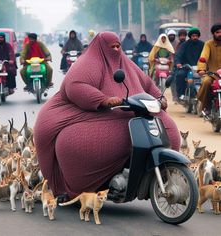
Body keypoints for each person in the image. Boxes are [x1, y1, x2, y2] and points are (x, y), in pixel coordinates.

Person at [33, 31, 180, 200]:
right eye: (112, 47)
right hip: (88, 114)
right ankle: (76, 189)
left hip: (130, 111)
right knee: (72, 141)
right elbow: (75, 86)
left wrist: (159, 98)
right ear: (101, 47)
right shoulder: (88, 63)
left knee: (164, 127)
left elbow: (146, 83)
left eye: (118, 47)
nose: (116, 50)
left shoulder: (126, 63)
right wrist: (104, 100)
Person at [197, 23, 221, 115]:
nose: (220, 34)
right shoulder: (208, 44)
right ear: (213, 34)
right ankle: (207, 105)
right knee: (206, 82)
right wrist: (201, 69)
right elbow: (203, 57)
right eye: (217, 32)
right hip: (213, 74)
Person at [175, 27, 204, 100]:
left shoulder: (202, 44)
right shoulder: (184, 45)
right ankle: (181, 94)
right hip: (187, 67)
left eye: (196, 36)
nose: (195, 37)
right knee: (180, 75)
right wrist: (178, 63)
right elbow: (179, 54)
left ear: (198, 36)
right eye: (193, 36)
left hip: (200, 67)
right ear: (190, 36)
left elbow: (206, 55)